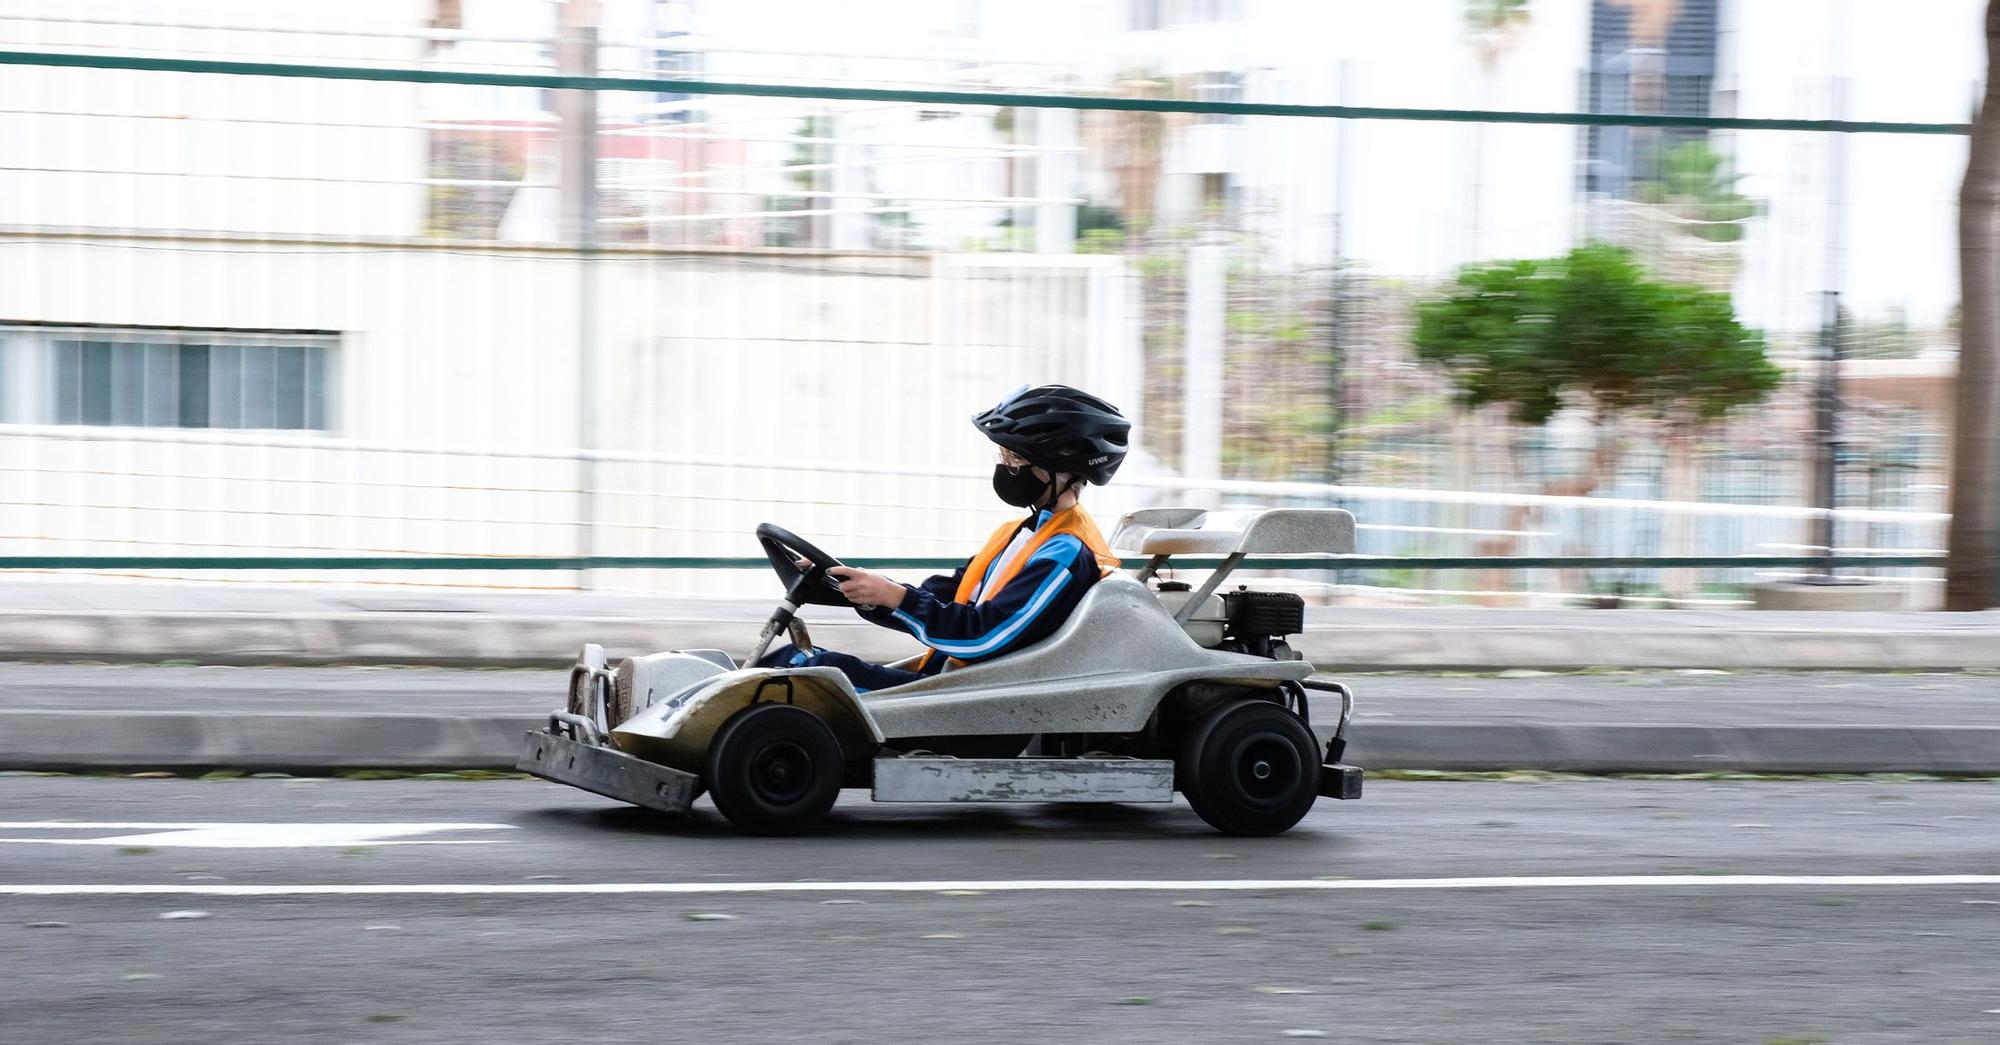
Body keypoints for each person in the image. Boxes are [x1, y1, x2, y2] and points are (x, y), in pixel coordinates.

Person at [757, 384, 1130, 692]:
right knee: (789, 665)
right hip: (949, 683)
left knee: (799, 679)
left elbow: (983, 636)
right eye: (1002, 455)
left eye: (1013, 458)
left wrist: (893, 597)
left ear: (1061, 469)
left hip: (974, 703)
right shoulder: (1022, 535)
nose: (1004, 467)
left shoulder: (1064, 554)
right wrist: (851, 586)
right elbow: (944, 597)